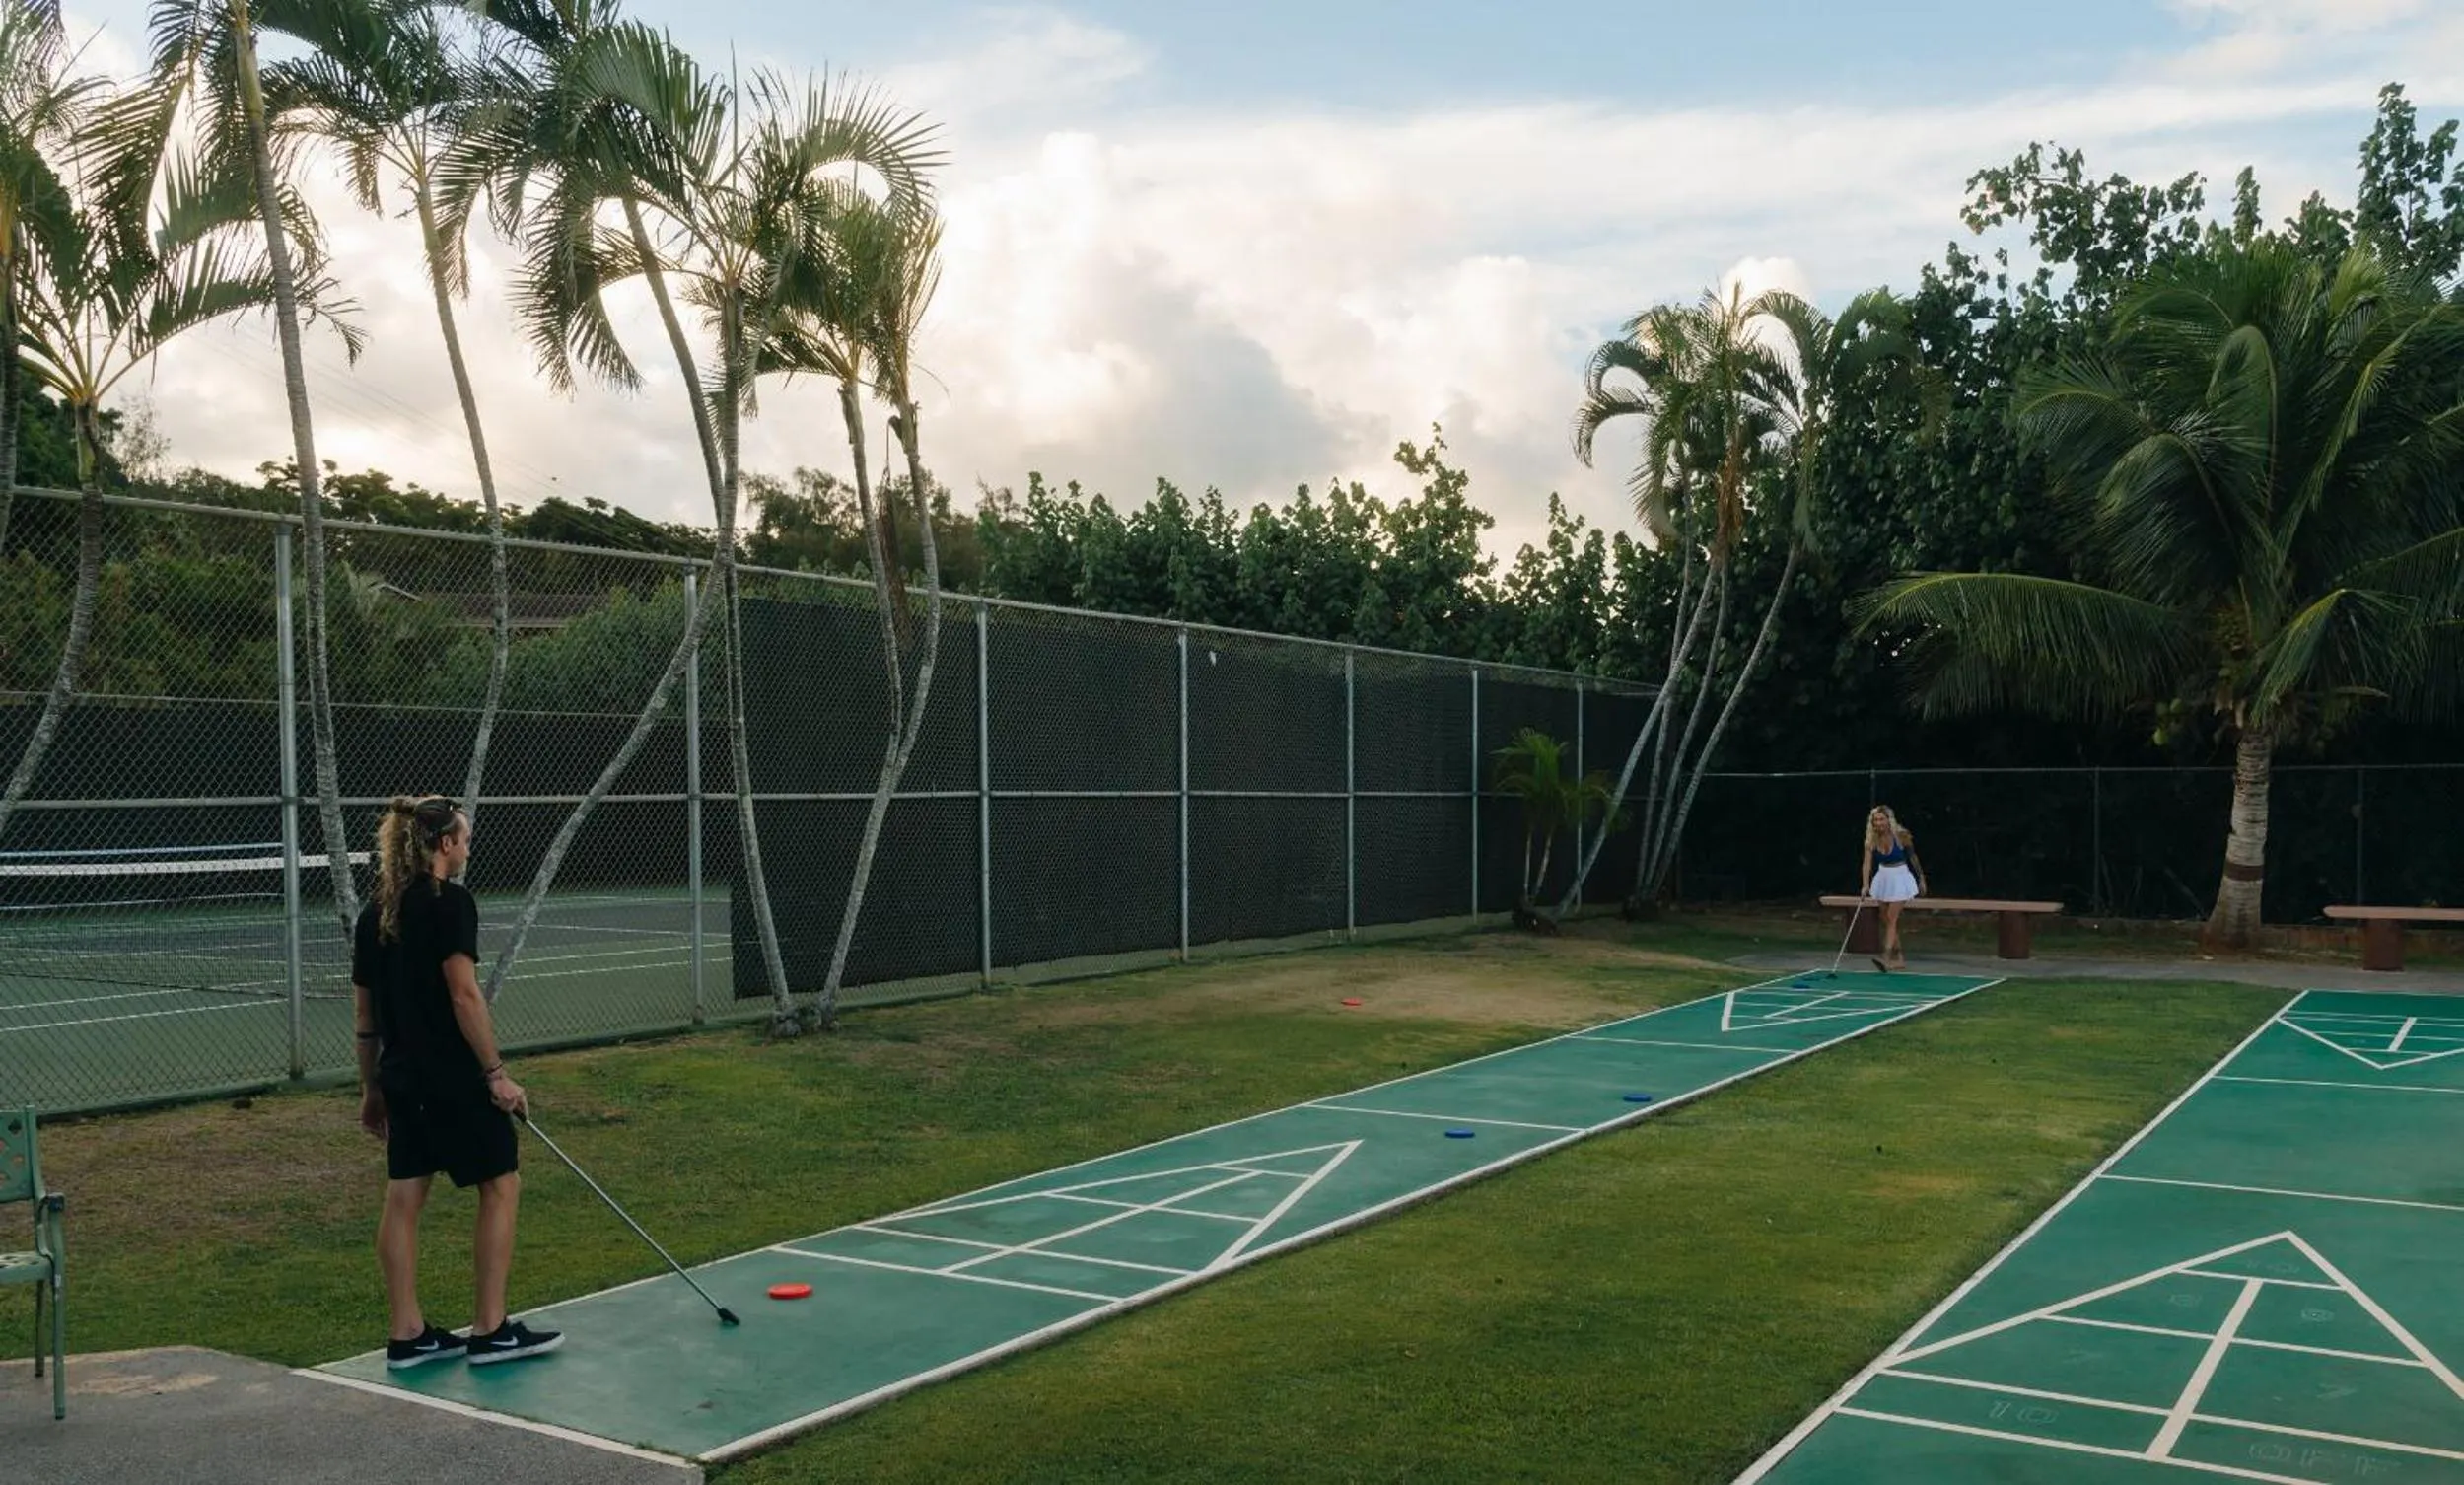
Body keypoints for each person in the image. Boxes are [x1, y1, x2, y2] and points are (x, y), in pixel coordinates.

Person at [353, 794, 562, 1368]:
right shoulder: (450, 904)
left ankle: (408, 1334)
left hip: (400, 1079)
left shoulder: (376, 916)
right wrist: (496, 1074)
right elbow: (464, 994)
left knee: (405, 1196)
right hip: (451, 1077)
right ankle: (491, 1330)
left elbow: (365, 1021)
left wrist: (371, 1089)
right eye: (465, 838)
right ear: (445, 844)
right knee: (501, 1182)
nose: (468, 847)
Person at [1859, 804, 1927, 972]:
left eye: (1882, 819)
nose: (1879, 824)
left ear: (1889, 820)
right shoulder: (1871, 839)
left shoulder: (1901, 836)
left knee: (1892, 918)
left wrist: (1921, 878)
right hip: (1883, 877)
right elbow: (1866, 864)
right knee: (1887, 920)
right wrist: (1865, 885)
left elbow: (1913, 857)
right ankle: (1900, 959)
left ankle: (1886, 957)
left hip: (1900, 876)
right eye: (1875, 821)